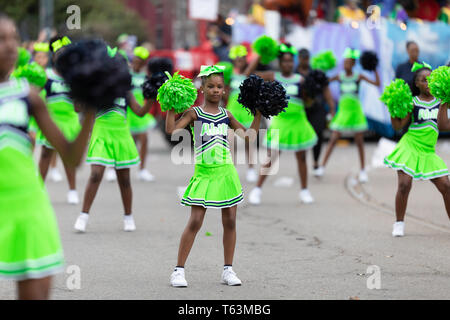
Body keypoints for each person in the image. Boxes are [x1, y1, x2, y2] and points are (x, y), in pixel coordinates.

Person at [0, 13, 95, 299]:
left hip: (28, 209)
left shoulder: (27, 95)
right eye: (1, 39)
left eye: (14, 38)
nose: (10, 46)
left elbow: (71, 157)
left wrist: (91, 107)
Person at [168, 65, 262, 287]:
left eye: (219, 86)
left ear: (224, 90)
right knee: (196, 221)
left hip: (226, 172)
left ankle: (228, 270)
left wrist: (259, 113)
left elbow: (248, 137)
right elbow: (172, 131)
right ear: (202, 88)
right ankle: (178, 271)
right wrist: (170, 108)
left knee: (230, 221)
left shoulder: (227, 115)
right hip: (204, 173)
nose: (215, 90)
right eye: (210, 86)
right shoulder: (194, 114)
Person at [74, 82, 153, 233]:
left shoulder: (126, 92)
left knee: (124, 180)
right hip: (101, 133)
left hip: (121, 135)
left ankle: (128, 216)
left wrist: (150, 98)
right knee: (95, 174)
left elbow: (140, 112)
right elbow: (78, 108)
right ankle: (83, 216)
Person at [248, 43, 318, 205]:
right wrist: (260, 55)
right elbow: (249, 74)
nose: (288, 64)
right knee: (272, 156)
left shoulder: (301, 80)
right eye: (284, 61)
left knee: (301, 157)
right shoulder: (273, 76)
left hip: (298, 120)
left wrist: (312, 94)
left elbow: (307, 101)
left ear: (293, 63)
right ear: (280, 63)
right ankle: (257, 189)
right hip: (281, 121)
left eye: (290, 61)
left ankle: (304, 191)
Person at [386, 62, 450, 237]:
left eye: (430, 80)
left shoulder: (441, 102)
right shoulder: (413, 102)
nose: (428, 83)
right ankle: (399, 223)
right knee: (405, 185)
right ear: (417, 84)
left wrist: (444, 102)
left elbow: (444, 126)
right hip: (410, 146)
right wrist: (393, 109)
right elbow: (398, 126)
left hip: (428, 151)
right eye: (423, 80)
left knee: (446, 186)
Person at [315, 48, 380, 183]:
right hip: (343, 112)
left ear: (353, 64)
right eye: (344, 63)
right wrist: (321, 71)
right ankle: (321, 167)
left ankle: (362, 171)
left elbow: (377, 83)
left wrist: (374, 68)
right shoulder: (340, 76)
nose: (346, 65)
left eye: (348, 63)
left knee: (359, 142)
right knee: (333, 138)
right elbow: (324, 82)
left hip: (355, 111)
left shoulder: (358, 76)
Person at [36, 35, 81, 203]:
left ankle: (72, 190)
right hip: (51, 120)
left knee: (68, 156)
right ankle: (38, 189)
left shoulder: (74, 77)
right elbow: (36, 92)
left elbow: (78, 106)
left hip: (69, 120)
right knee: (46, 154)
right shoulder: (46, 75)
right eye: (58, 54)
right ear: (53, 57)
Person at [297, 48, 336, 175]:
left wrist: (331, 108)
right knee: (302, 137)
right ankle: (302, 161)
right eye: (303, 58)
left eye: (307, 58)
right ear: (299, 58)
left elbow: (326, 90)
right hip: (301, 110)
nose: (305, 60)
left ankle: (315, 161)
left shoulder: (315, 72)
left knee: (318, 134)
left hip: (317, 108)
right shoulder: (293, 72)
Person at [226, 44, 258, 182]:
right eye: (237, 59)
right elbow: (224, 93)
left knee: (248, 140)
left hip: (246, 112)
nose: (240, 61)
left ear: (246, 60)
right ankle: (232, 169)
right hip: (232, 111)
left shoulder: (249, 75)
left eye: (242, 59)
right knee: (231, 141)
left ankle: (251, 169)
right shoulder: (230, 76)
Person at [127, 46, 156, 182]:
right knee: (125, 142)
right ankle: (113, 169)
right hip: (127, 112)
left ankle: (142, 170)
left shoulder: (146, 77)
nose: (137, 62)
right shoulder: (126, 75)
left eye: (141, 61)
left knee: (144, 140)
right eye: (136, 59)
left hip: (141, 111)